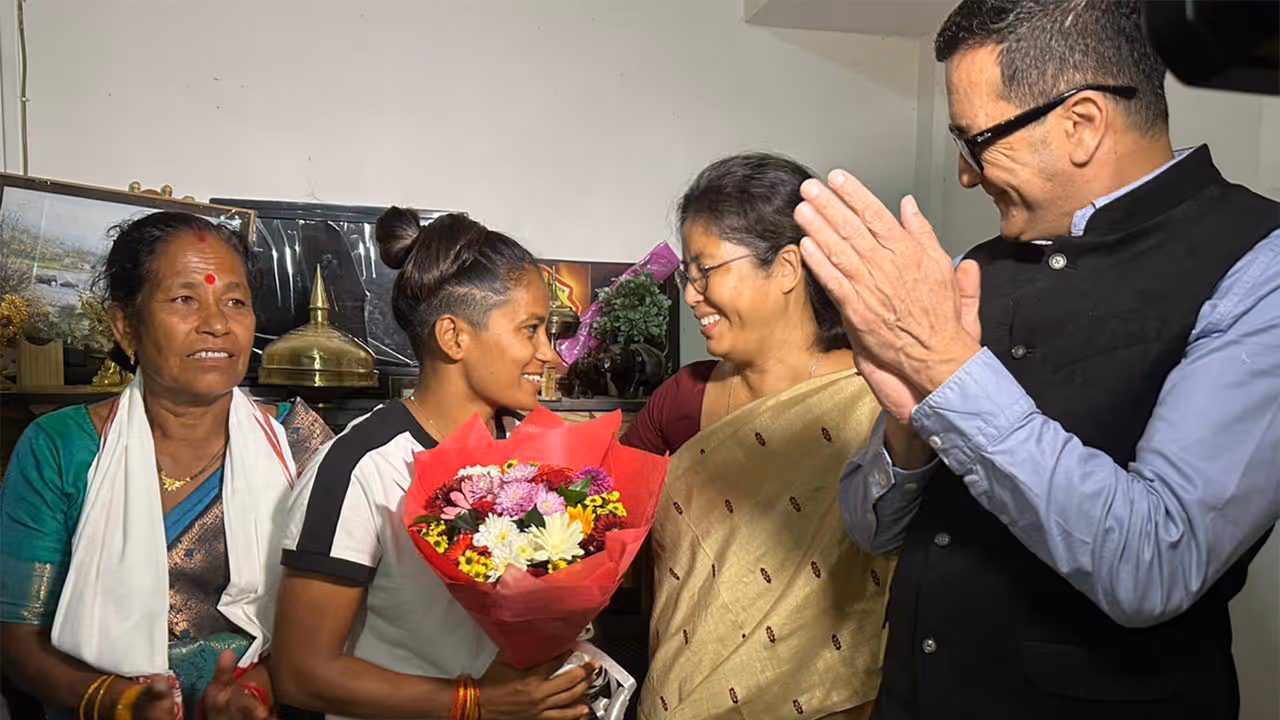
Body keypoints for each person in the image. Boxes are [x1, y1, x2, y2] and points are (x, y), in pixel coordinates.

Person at [793, 1, 1280, 719]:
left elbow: (1157, 563)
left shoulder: (1255, 262)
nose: (965, 175)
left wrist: (948, 372)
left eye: (976, 140)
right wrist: (907, 435)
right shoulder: (975, 270)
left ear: (1080, 124)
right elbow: (874, 529)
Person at [271, 209, 596, 720]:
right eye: (531, 330)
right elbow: (302, 673)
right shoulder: (362, 468)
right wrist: (478, 704)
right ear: (454, 337)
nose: (551, 356)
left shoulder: (534, 455)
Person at [623, 153, 893, 720]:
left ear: (788, 268)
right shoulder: (683, 399)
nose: (692, 295)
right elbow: (609, 529)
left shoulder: (877, 397)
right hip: (678, 697)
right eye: (686, 277)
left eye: (706, 271)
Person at [0, 211, 299, 719]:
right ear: (126, 326)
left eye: (235, 301)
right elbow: (17, 637)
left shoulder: (298, 444)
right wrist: (112, 701)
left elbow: (339, 620)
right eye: (185, 299)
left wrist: (258, 690)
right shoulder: (61, 448)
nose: (218, 324)